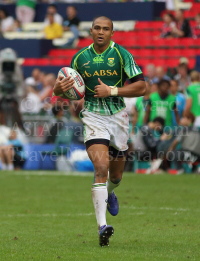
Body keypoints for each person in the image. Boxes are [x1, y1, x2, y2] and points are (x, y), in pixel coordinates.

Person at [53, 16, 146, 246]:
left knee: (115, 177)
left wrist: (112, 91)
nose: (101, 32)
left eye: (106, 29)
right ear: (91, 31)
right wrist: (58, 89)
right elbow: (68, 90)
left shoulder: (122, 55)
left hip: (119, 118)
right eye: (97, 28)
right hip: (93, 117)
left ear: (112, 33)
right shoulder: (79, 58)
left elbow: (142, 86)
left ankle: (110, 192)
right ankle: (102, 227)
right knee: (101, 167)